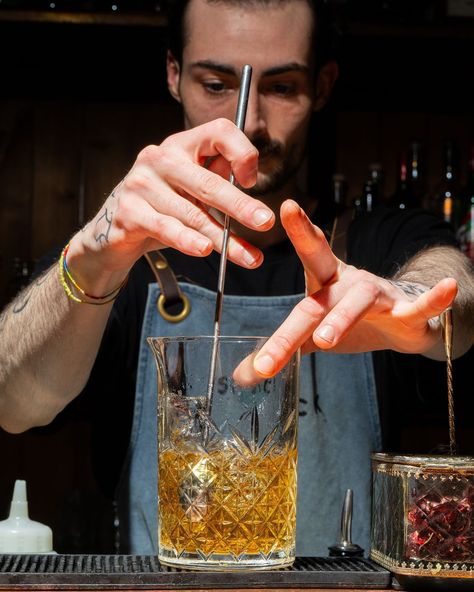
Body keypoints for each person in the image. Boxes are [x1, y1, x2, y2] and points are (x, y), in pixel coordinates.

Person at [0, 0, 473, 556]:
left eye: (282, 87)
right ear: (174, 74)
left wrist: (416, 301)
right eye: (216, 83)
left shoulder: (377, 243)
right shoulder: (125, 248)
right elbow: (14, 404)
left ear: (322, 86)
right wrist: (95, 254)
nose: (247, 124)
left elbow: (456, 291)